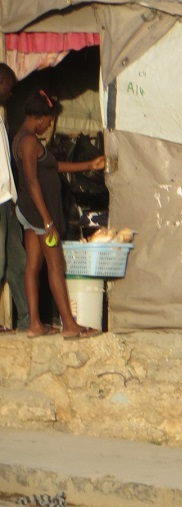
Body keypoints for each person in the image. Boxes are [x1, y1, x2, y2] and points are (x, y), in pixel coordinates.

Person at [12, 89, 105, 339]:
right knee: (55, 265)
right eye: (49, 122)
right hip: (39, 214)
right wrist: (48, 220)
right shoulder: (30, 142)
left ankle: (34, 324)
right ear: (41, 117)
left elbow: (53, 166)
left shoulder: (20, 138)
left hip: (28, 212)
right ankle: (69, 324)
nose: (48, 127)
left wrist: (88, 164)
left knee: (33, 266)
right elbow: (32, 181)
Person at [0, 62, 28, 333]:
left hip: (7, 201)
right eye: (9, 84)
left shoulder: (0, 116)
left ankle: (26, 321)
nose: (11, 91)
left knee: (17, 262)